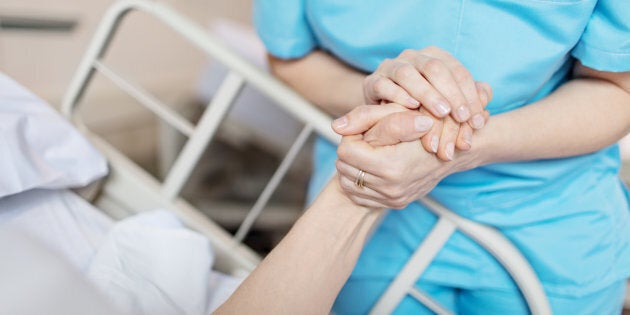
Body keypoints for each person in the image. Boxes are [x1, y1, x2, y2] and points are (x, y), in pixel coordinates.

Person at [253, 1, 630, 314]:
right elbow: (290, 56)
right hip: (374, 222)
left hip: (554, 223)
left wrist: (465, 144)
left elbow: (618, 88)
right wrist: (386, 98)